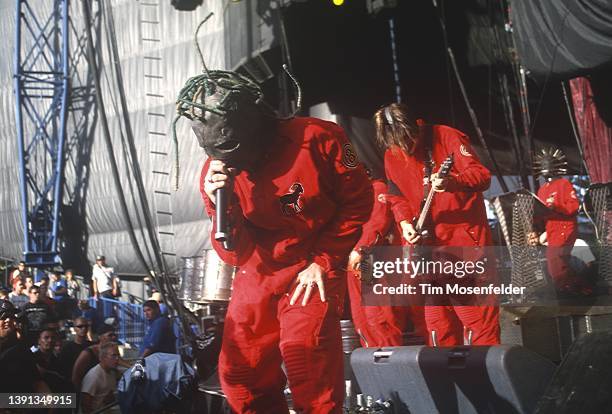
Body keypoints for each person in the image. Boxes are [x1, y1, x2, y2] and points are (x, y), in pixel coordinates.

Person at [184, 69, 373, 412]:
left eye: (227, 146)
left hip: (312, 261)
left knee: (307, 358)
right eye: (212, 149)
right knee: (240, 373)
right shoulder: (217, 176)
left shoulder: (320, 137)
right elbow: (233, 254)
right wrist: (217, 203)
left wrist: (325, 260)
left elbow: (359, 200)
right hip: (260, 270)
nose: (222, 157)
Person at [373, 103, 499, 347]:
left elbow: (481, 175)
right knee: (437, 326)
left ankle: (486, 381)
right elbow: (397, 197)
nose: (403, 148)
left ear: (414, 128)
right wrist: (405, 222)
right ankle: (449, 381)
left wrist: (453, 181)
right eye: (395, 144)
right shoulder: (392, 154)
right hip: (429, 251)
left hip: (465, 245)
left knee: (478, 322)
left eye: (407, 140)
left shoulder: (445, 135)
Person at [346, 172, 426, 347]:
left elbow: (378, 222)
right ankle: (376, 365)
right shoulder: (349, 198)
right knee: (363, 322)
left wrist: (359, 249)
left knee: (380, 320)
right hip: (360, 261)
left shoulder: (377, 189)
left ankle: (388, 363)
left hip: (369, 259)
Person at [528, 147, 591, 295]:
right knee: (555, 261)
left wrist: (556, 207)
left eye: (548, 165)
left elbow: (574, 207)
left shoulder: (564, 184)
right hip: (551, 229)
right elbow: (541, 213)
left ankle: (569, 287)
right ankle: (577, 286)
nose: (545, 168)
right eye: (542, 165)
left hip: (565, 227)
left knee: (554, 257)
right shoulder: (542, 190)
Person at [0, 300, 50, 394]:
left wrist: (50, 402)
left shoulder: (20, 350)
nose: (8, 320)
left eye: (11, 316)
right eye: (3, 316)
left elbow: (37, 382)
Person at [80, 342, 121, 413]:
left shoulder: (112, 372)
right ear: (103, 357)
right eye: (113, 355)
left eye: (118, 355)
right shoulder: (94, 376)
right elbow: (85, 404)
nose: (117, 359)